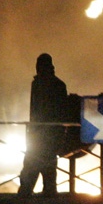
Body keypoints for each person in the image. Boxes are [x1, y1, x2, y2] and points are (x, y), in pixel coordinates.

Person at [18, 53, 69, 196]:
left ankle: (24, 198)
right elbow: (62, 111)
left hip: (38, 135)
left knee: (30, 170)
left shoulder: (38, 84)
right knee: (48, 171)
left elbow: (36, 111)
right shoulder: (58, 85)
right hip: (50, 136)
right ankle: (49, 198)